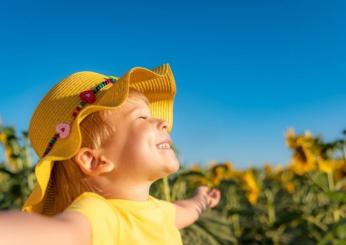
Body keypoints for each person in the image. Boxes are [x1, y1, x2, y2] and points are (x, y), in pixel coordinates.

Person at [0, 63, 221, 245]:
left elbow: (186, 210)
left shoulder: (157, 209)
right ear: (94, 160)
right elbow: (51, 234)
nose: (164, 123)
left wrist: (201, 199)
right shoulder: (101, 215)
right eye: (142, 118)